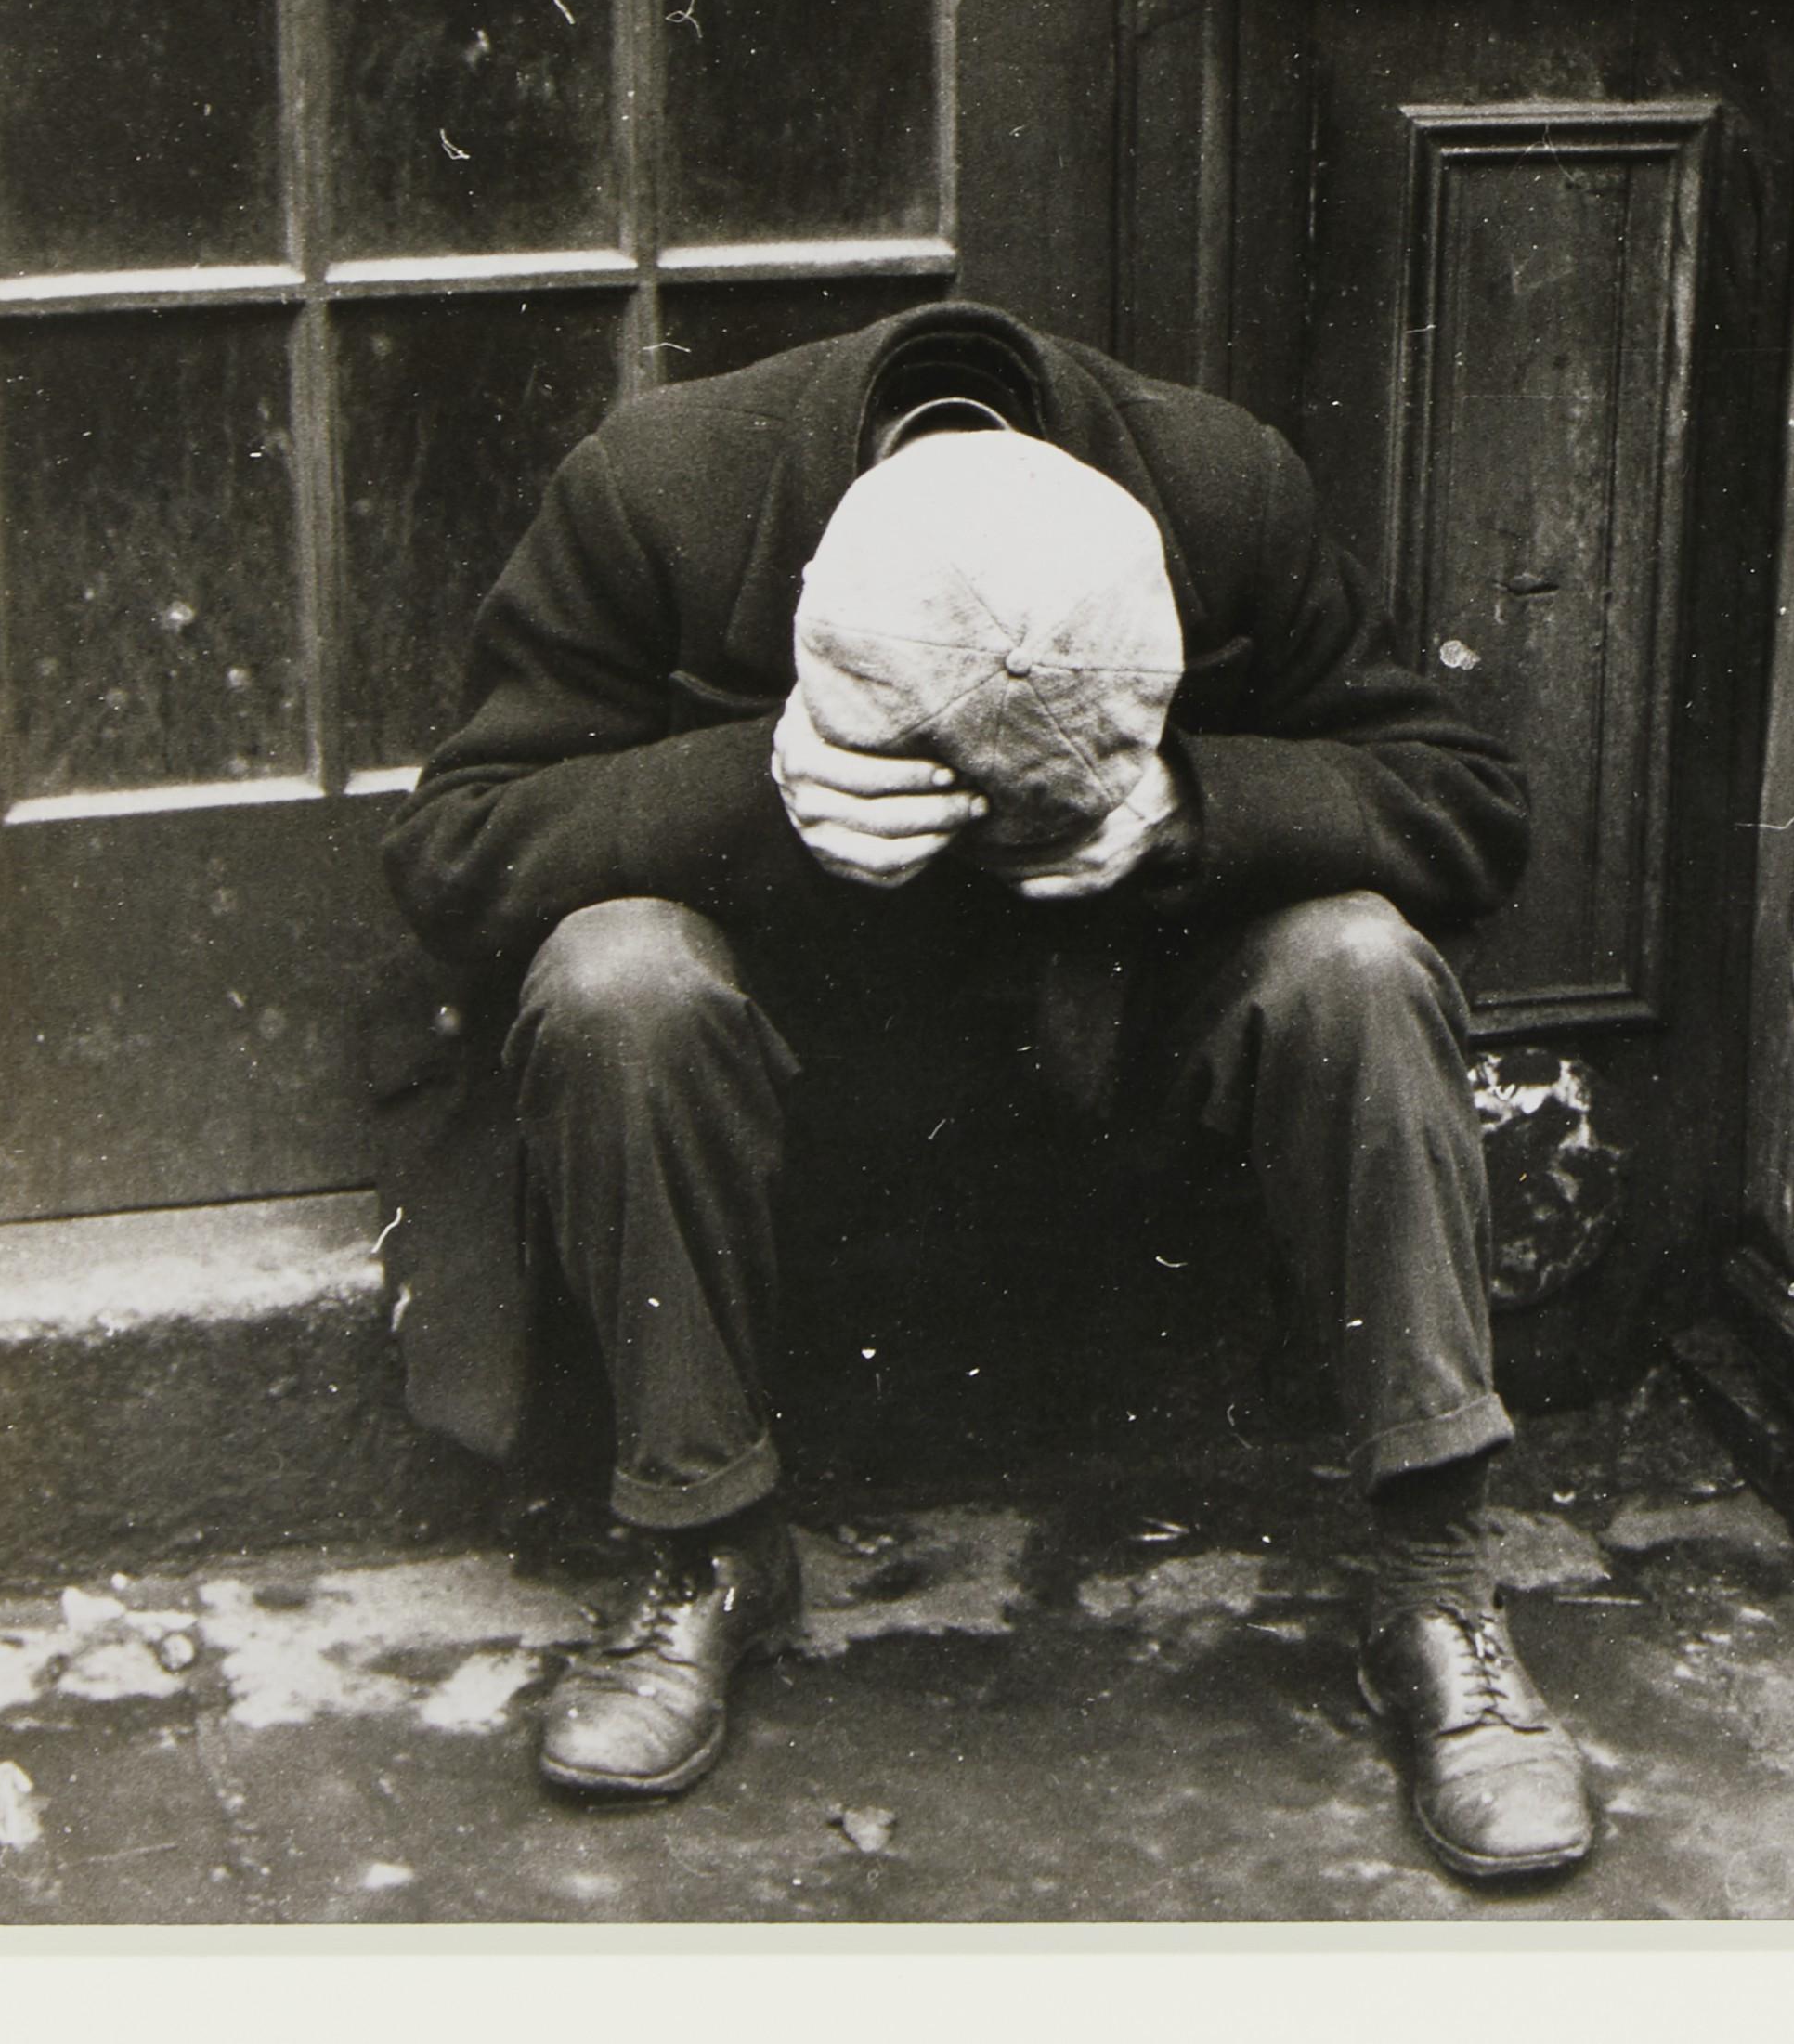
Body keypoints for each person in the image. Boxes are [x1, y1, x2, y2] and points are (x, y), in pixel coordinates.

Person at [374, 299, 1594, 1884]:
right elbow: (450, 847)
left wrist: (1194, 805)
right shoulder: (661, 490)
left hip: (1117, 1066)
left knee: (1360, 959)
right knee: (620, 974)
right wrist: (757, 787)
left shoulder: (1218, 488)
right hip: (800, 1097)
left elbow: (1470, 803)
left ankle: (1437, 1575)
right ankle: (703, 1549)